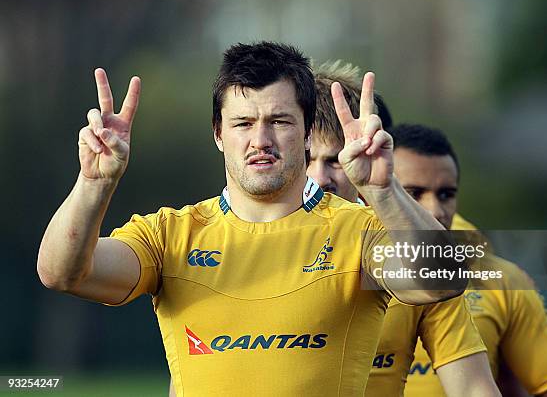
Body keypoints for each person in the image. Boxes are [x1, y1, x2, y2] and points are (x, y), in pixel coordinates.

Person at [37, 42, 464, 396]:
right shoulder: (170, 235)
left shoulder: (358, 229)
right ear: (219, 133)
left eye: (278, 121)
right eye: (243, 123)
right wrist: (93, 182)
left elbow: (445, 278)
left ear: (307, 129)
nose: (260, 140)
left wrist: (382, 190)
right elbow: (61, 273)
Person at [307, 60, 501, 397]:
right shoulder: (232, 245)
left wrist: (384, 190)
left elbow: (474, 389)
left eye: (335, 161)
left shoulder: (413, 258)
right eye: (308, 159)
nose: (321, 178)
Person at [381, 123, 547, 397]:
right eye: (414, 193)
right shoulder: (338, 266)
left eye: (446, 194)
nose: (435, 210)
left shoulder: (498, 278)